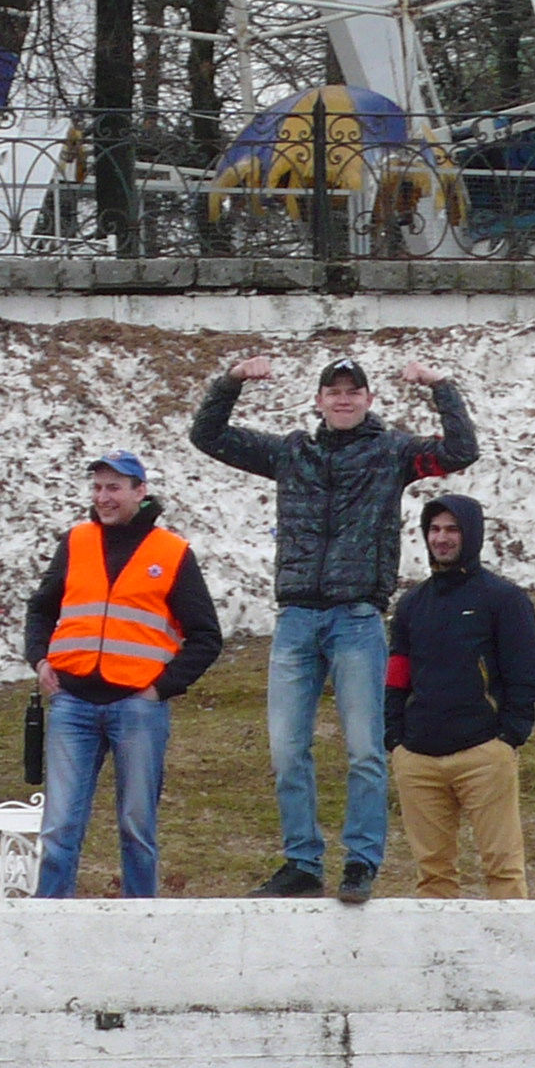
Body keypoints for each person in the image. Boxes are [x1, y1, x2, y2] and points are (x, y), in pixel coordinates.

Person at [190, 352, 477, 904]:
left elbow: (461, 450)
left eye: (353, 390)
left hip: (357, 618)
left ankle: (361, 863)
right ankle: (302, 862)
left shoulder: (393, 452)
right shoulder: (291, 453)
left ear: (368, 399)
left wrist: (440, 385)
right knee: (286, 751)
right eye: (333, 390)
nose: (343, 398)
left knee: (366, 750)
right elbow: (209, 435)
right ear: (319, 401)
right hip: (296, 618)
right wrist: (231, 380)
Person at [21, 452, 223, 899]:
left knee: (137, 826)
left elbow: (207, 636)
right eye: (97, 487)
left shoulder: (171, 552)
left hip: (137, 706)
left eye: (114, 487)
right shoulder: (76, 541)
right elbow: (41, 607)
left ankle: (139, 921)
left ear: (139, 491)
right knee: (58, 827)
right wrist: (39, 659)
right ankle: (48, 921)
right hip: (72, 702)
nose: (103, 497)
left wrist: (161, 688)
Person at [385, 493, 535, 899]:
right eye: (435, 529)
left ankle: (510, 959)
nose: (442, 538)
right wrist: (395, 738)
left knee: (503, 871)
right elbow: (397, 673)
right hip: (417, 759)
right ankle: (437, 961)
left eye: (452, 529)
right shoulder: (411, 604)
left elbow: (525, 673)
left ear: (471, 534)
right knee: (433, 878)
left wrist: (510, 734)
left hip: (483, 755)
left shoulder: (503, 599)